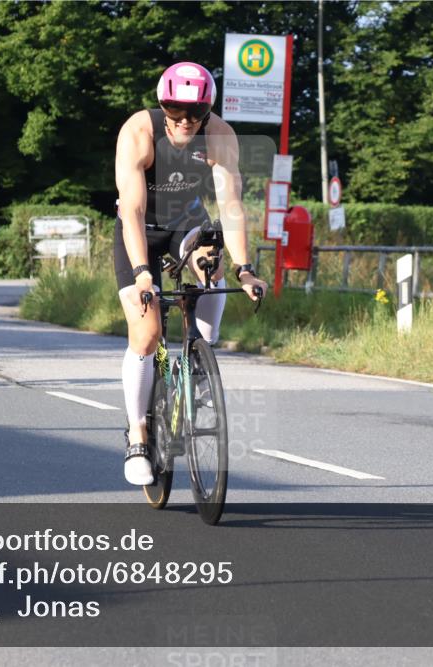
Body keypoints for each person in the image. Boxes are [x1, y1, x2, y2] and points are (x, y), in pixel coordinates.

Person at [114, 61, 268, 485]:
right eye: (175, 111)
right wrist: (143, 273)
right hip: (140, 229)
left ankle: (199, 357)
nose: (185, 121)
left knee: (210, 262)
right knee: (146, 334)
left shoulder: (219, 135)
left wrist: (245, 269)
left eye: (195, 113)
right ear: (162, 106)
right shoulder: (139, 132)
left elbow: (231, 205)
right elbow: (133, 210)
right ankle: (138, 436)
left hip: (186, 223)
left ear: (207, 110)